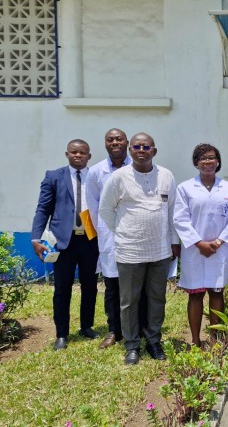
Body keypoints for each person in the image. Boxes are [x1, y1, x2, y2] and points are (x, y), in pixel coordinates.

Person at [99, 132, 180, 365]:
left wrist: (174, 241)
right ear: (130, 150)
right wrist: (123, 232)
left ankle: (154, 341)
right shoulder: (119, 177)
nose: (141, 150)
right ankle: (132, 345)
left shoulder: (166, 175)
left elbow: (172, 210)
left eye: (146, 147)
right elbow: (105, 210)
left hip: (160, 251)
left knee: (157, 298)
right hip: (130, 251)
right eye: (136, 147)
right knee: (129, 301)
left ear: (154, 151)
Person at [31, 139, 100, 350]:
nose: (78, 155)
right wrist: (35, 238)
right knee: (62, 288)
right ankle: (61, 333)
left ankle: (86, 326)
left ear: (89, 156)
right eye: (74, 152)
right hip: (63, 242)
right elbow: (43, 208)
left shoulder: (96, 176)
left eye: (82, 152)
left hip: (90, 240)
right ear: (67, 154)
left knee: (90, 286)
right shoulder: (54, 176)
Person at [174, 144, 228, 347]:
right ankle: (195, 340)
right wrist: (199, 243)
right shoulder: (185, 188)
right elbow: (180, 218)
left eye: (212, 158)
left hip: (219, 249)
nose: (208, 162)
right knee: (195, 295)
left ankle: (215, 339)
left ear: (218, 162)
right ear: (196, 163)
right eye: (203, 158)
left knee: (216, 292)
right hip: (194, 250)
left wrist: (218, 242)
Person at [87, 128, 148, 349]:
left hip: (137, 235)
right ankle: (114, 330)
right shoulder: (96, 172)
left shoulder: (140, 167)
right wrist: (106, 231)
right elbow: (93, 207)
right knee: (112, 286)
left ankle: (141, 327)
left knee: (139, 284)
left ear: (127, 143)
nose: (115, 142)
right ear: (105, 143)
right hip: (109, 236)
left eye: (119, 139)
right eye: (110, 139)